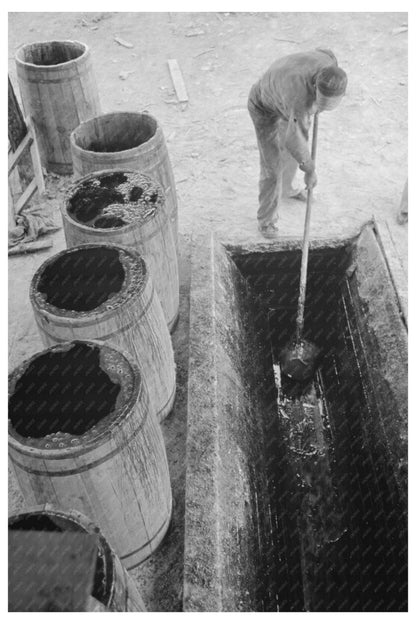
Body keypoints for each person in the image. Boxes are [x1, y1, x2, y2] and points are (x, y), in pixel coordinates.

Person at [248, 49, 348, 238]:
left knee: (295, 154)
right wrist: (310, 171)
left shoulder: (328, 63)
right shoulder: (300, 101)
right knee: (273, 167)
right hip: (263, 106)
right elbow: (294, 141)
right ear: (314, 86)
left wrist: (317, 107)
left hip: (283, 96)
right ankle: (266, 221)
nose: (320, 110)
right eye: (320, 104)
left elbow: (325, 50)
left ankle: (287, 189)